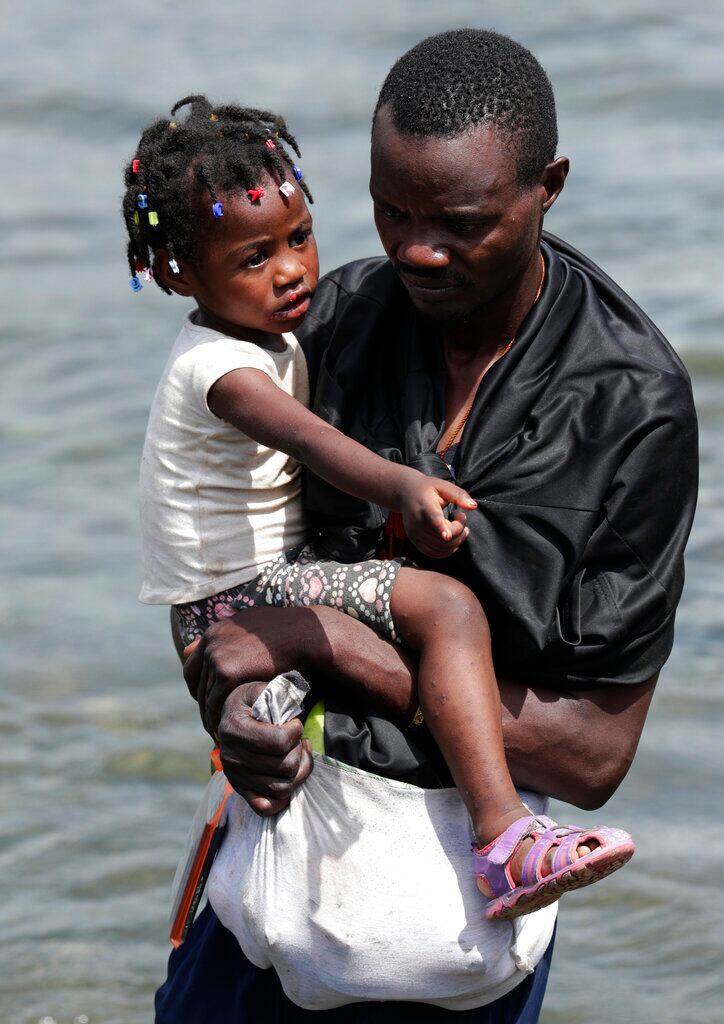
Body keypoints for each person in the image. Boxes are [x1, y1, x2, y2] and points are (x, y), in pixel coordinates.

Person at [155, 29, 698, 1023]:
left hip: (455, 933)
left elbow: (588, 759)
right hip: (261, 904)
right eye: (388, 211)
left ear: (549, 187)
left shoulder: (630, 411)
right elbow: (212, 571)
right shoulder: (325, 327)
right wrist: (226, 699)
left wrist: (342, 653)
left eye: (457, 222)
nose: (413, 248)